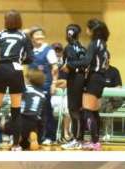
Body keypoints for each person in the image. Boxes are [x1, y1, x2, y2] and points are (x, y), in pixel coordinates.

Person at [0, 10, 33, 151]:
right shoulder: (24, 36)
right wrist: (20, 61)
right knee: (16, 111)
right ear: (19, 21)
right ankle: (16, 145)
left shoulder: (0, 34)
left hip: (2, 69)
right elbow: (31, 58)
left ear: (6, 21)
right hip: (16, 71)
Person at [63, 19, 110, 150]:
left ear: (93, 30)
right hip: (100, 78)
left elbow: (86, 62)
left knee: (88, 112)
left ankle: (94, 142)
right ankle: (95, 141)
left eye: (88, 28)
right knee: (94, 112)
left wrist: (69, 64)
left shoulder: (95, 43)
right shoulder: (103, 44)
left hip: (94, 78)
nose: (87, 31)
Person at [0, 68, 46, 150]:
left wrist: (6, 120)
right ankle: (32, 136)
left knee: (1, 125)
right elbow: (43, 118)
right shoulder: (43, 95)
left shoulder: (24, 88)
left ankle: (16, 138)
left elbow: (14, 106)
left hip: (20, 120)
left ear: (29, 79)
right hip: (34, 123)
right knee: (25, 144)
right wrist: (40, 138)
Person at [29, 27, 58, 145]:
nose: (40, 36)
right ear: (32, 38)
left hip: (45, 86)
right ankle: (37, 136)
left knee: (46, 111)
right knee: (33, 111)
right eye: (37, 34)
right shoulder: (30, 50)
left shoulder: (48, 50)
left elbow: (55, 68)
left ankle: (50, 136)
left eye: (41, 34)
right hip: (32, 86)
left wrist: (54, 84)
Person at [61, 24, 87, 150]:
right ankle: (79, 138)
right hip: (81, 79)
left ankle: (77, 139)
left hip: (74, 79)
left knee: (74, 110)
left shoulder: (69, 48)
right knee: (78, 110)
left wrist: (68, 66)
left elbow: (69, 64)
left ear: (69, 34)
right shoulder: (82, 48)